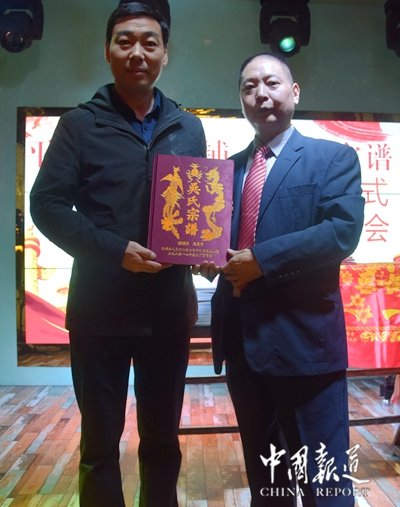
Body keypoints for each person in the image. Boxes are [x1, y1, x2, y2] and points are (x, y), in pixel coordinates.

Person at [30, 2, 206, 506]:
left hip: (168, 310)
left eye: (150, 42)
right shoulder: (79, 125)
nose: (137, 53)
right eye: (124, 41)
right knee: (100, 444)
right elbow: (46, 204)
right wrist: (114, 250)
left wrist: (204, 247)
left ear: (165, 54)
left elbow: (196, 210)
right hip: (100, 311)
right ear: (107, 52)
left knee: (163, 441)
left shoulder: (188, 127)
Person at [198, 53, 364, 506]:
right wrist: (205, 258)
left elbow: (341, 232)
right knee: (268, 484)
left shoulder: (333, 158)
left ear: (294, 92)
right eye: (249, 87)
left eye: (272, 83)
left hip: (306, 348)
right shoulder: (226, 171)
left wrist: (260, 260)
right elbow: (220, 243)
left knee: (325, 486)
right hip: (242, 346)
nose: (261, 94)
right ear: (241, 100)